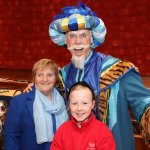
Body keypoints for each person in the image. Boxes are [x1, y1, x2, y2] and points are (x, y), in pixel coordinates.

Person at [25, 2, 150, 150]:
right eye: (72, 36)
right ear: (66, 41)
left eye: (83, 35)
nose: (78, 42)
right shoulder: (61, 77)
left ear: (92, 39)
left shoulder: (118, 71)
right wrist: (38, 89)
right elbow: (51, 104)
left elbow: (144, 104)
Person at [4, 59, 69, 150]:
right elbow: (11, 136)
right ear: (34, 78)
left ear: (56, 78)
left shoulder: (65, 100)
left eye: (50, 75)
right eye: (40, 75)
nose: (45, 79)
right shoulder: (19, 102)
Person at [50, 81, 116, 150]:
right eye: (74, 103)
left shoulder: (103, 131)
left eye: (84, 103)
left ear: (92, 104)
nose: (79, 108)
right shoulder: (62, 131)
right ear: (69, 104)